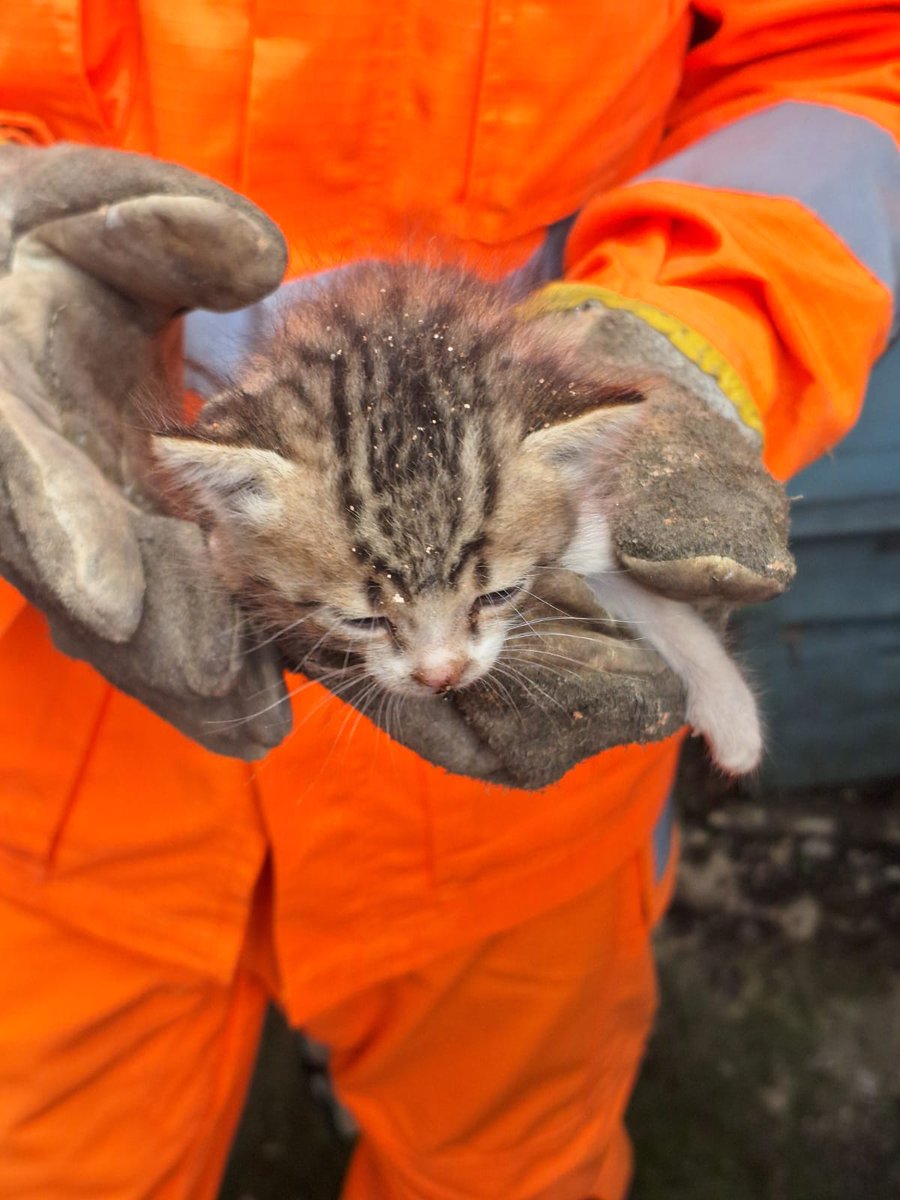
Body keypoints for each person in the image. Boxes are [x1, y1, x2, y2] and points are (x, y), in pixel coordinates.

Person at [0, 4, 897, 1198]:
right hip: (55, 723)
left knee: (510, 1158)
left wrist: (690, 336)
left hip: (517, 800)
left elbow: (847, 61)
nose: (435, 663)